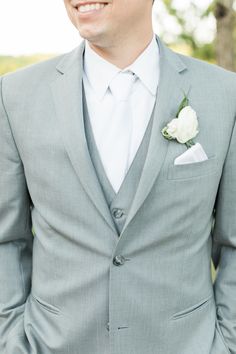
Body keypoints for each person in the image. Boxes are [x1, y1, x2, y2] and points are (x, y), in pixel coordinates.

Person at [0, 0, 236, 353]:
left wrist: (227, 343)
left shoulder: (225, 96)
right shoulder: (14, 96)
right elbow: (7, 240)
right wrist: (11, 341)